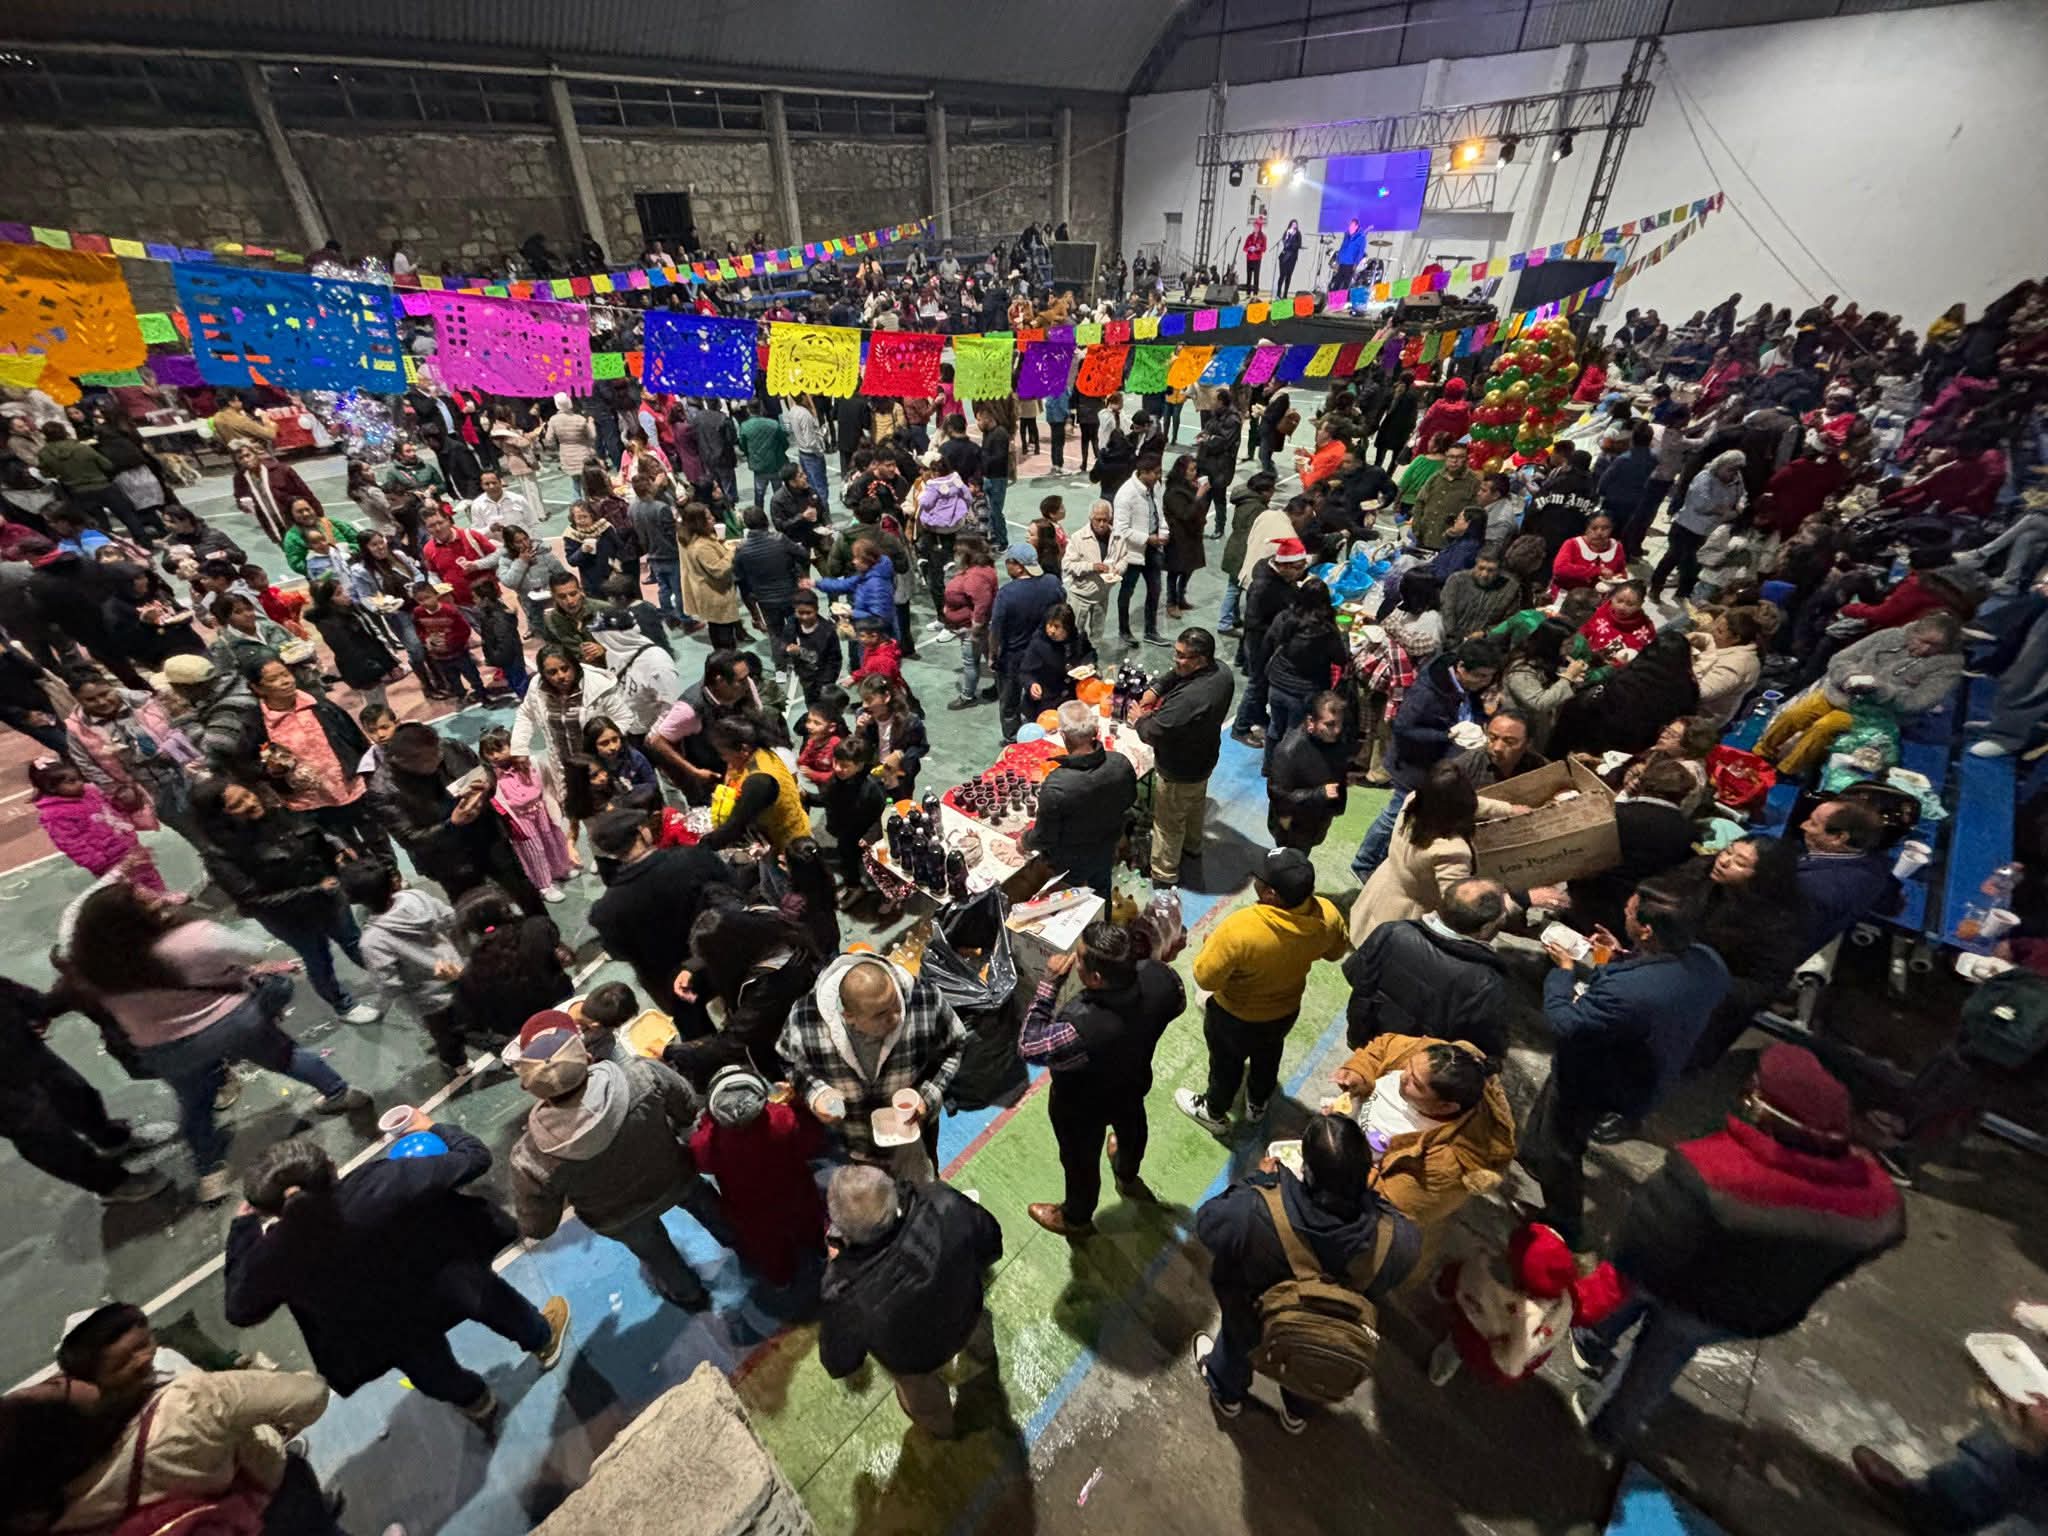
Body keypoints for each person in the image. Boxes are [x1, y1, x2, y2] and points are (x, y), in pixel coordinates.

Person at [1570, 1044, 1903, 1446]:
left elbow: (1640, 1243)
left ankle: (1599, 1394)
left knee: (1632, 1325)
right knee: (1661, 1363)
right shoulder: (1876, 1203)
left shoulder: (1713, 1171)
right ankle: (1612, 1420)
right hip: (1740, 1307)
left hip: (1674, 1281)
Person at [225, 1127, 571, 1428]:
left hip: (381, 1325)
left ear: (264, 1211)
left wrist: (242, 1231)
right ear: (330, 1168)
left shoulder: (274, 1257)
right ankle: (542, 1339)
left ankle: (476, 1401)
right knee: (497, 1305)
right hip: (447, 1277)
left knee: (426, 1366)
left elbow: (240, 1310)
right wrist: (432, 1127)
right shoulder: (380, 1182)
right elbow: (474, 1157)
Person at [63, 882, 367, 1205]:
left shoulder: (91, 969)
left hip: (168, 1047)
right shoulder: (193, 938)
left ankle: (210, 1172)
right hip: (232, 1022)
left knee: (195, 1105)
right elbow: (255, 951)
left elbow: (73, 918)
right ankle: (340, 1093)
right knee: (287, 1057)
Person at [1521, 877, 1731, 1246]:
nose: (1624, 911)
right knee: (1550, 1114)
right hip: (1646, 1067)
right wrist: (1616, 957)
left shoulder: (1631, 992)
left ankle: (1563, 1222)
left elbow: (1565, 1022)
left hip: (1599, 1078)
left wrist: (1564, 971)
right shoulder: (1709, 962)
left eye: (1631, 911)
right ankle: (1532, 1154)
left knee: (1563, 1144)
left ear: (1647, 930)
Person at [1193, 1114, 1420, 1430]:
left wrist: (1259, 1180)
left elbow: (1206, 1223)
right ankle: (1297, 1411)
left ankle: (1227, 1395)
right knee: (1313, 1359)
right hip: (1330, 1331)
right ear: (1368, 1171)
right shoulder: (1400, 1240)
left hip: (1253, 1317)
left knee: (1236, 1347)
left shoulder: (1252, 1211)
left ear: (1307, 1172)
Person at [508, 1014, 726, 1311]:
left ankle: (689, 1294)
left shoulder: (530, 1156)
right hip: (675, 1176)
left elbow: (539, 1226)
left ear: (528, 1087)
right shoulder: (643, 1075)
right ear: (587, 1056)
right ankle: (743, 1241)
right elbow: (688, 1108)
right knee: (713, 1209)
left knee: (656, 1254)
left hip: (618, 1218)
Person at [1021, 919, 1185, 1239]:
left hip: (1081, 1106)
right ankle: (1127, 1173)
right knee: (1132, 1129)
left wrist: (1049, 984)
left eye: (1079, 958)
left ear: (1095, 978)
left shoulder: (1080, 1027)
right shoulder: (1159, 976)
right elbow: (1176, 1004)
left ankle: (1076, 1218)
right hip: (1131, 1083)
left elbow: (1029, 1047)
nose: (1073, 960)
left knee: (1080, 1162)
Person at [817, 1164, 1004, 1438]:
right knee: (979, 1337)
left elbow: (840, 1361)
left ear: (841, 1230)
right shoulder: (942, 1200)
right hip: (967, 1312)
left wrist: (841, 1266)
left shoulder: (842, 1289)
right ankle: (984, 1359)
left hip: (915, 1360)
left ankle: (943, 1432)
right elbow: (991, 1243)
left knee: (925, 1403)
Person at [1176, 848, 1348, 1136]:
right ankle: (1257, 1102)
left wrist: (1211, 947)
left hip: (1234, 1017)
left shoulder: (1242, 928)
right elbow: (1335, 952)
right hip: (1284, 1011)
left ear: (1270, 895)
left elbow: (1205, 978)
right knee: (1268, 1055)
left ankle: (1214, 1111)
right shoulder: (1327, 915)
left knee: (1226, 1067)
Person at [191, 778, 384, 1026]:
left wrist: (334, 850)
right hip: (291, 917)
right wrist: (315, 890)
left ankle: (390, 976)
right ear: (219, 815)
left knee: (354, 941)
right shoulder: (219, 854)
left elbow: (310, 836)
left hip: (328, 897)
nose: (250, 802)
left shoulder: (277, 815)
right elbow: (252, 901)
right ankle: (343, 1005)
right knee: (318, 958)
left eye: (248, 795)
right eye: (237, 804)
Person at [777, 952, 965, 1179]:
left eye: (895, 1003)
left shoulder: (923, 999)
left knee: (926, 1187)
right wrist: (818, 1094)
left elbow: (955, 1046)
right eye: (881, 1015)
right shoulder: (805, 1021)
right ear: (849, 1017)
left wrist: (928, 1095)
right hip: (854, 1142)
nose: (896, 1017)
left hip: (916, 1135)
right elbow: (789, 1061)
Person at [0, 979, 170, 1205]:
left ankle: (113, 1139)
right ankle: (110, 1183)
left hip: (15, 1044)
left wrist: (41, 1004)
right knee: (39, 1129)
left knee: (72, 1089)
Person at [1326, 1033, 1515, 1229]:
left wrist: (1342, 1168)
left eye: (1415, 1084)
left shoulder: (1446, 1165)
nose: (1402, 1076)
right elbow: (1384, 1048)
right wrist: (1359, 1073)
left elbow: (1393, 1208)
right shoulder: (1430, 1061)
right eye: (1408, 1066)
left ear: (1445, 1107)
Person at [1351, 636, 1501, 883]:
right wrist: (1448, 735)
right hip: (1413, 765)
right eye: (1482, 676)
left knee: (1411, 816)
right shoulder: (1429, 692)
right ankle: (1363, 862)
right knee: (1394, 816)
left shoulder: (1463, 686)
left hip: (1438, 764)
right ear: (1462, 668)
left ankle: (1381, 858)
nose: (1486, 682)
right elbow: (1403, 727)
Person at [373, 721, 547, 914]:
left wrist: (486, 785)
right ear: (403, 761)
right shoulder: (382, 789)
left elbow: (487, 771)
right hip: (450, 862)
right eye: (430, 759)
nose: (439, 758)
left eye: (438, 752)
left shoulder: (449, 747)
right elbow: (410, 838)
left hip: (489, 837)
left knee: (525, 891)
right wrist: (452, 823)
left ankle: (547, 935)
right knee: (478, 911)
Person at [1760, 613, 1965, 774]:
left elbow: (1919, 702)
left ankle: (1787, 770)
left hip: (1877, 714)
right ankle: (1761, 753)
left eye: (1934, 646)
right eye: (1922, 641)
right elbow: (1841, 659)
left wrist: (1880, 690)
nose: (1924, 648)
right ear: (1914, 633)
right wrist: (1850, 676)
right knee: (1794, 714)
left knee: (1824, 727)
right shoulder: (1890, 635)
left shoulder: (1948, 666)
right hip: (1840, 692)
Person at [587, 807, 737, 1021]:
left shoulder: (606, 910)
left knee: (693, 1027)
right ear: (642, 832)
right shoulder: (695, 858)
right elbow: (732, 890)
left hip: (669, 980)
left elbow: (620, 952)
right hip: (720, 956)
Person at [1343, 876, 1512, 1058]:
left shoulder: (1393, 931)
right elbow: (1484, 1047)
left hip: (1365, 1041)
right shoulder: (1486, 982)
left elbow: (1355, 973)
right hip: (1414, 1068)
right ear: (1486, 928)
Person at [340, 857, 469, 1072]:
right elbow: (450, 918)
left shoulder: (372, 941)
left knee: (447, 1037)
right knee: (474, 1018)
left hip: (429, 1000)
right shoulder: (416, 896)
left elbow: (389, 984)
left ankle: (460, 1065)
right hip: (458, 972)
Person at [1133, 627, 1236, 888]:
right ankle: (1193, 846)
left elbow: (1154, 732)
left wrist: (1139, 720)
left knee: (1168, 823)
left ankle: (1164, 875)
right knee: (1194, 806)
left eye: (1182, 656)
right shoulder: (1221, 672)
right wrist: (1157, 688)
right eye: (1176, 653)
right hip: (1204, 758)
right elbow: (1176, 675)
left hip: (1178, 768)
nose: (1175, 660)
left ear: (1200, 659)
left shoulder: (1189, 700)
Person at [1350, 759, 1484, 947]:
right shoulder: (1452, 850)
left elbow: (1456, 798)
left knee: (1367, 952)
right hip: (1408, 917)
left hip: (1381, 892)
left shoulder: (1413, 802)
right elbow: (1457, 904)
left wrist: (1508, 809)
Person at [1022, 701, 1137, 897]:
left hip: (1069, 864)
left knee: (1070, 906)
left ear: (1064, 735)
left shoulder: (1057, 785)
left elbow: (1044, 837)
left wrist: (1024, 842)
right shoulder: (1120, 763)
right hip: (1106, 848)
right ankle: (1103, 924)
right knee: (1101, 895)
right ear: (1096, 732)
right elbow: (1129, 801)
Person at [30, 754, 167, 895]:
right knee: (132, 892)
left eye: (79, 778)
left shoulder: (90, 791)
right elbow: (70, 843)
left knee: (150, 875)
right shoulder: (54, 814)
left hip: (129, 846)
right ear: (52, 788)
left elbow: (112, 808)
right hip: (110, 862)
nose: (80, 783)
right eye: (72, 782)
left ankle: (164, 896)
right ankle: (154, 910)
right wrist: (99, 863)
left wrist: (122, 801)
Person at [1794, 798, 1897, 951]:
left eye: (1814, 824)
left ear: (1838, 838)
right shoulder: (1876, 862)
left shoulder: (1814, 887)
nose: (1804, 826)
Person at [987, 541, 1064, 740]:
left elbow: (996, 630)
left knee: (1009, 701)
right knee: (1040, 694)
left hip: (1013, 657)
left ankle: (1014, 738)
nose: (1006, 567)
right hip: (1043, 652)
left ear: (1018, 565)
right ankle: (1044, 731)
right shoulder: (1052, 583)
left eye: (1008, 563)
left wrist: (992, 654)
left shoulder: (1006, 594)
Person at [1651, 448, 1746, 604]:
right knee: (1673, 557)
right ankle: (1656, 588)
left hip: (1709, 531)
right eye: (1730, 470)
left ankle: (1683, 593)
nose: (1733, 474)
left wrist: (1740, 504)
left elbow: (1742, 494)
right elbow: (1701, 503)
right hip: (1687, 527)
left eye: (1736, 471)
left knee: (1695, 564)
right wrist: (1726, 511)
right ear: (1720, 465)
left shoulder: (1736, 479)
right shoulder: (1704, 478)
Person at [1111, 453, 1167, 644]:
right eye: (1155, 473)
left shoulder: (1155, 487)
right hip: (1132, 552)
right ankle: (1124, 630)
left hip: (1153, 549)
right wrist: (1146, 538)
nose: (1158, 477)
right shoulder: (1126, 495)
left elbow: (1159, 511)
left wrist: (1163, 532)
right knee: (1127, 591)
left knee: (1155, 590)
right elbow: (1121, 530)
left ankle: (1151, 631)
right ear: (1143, 472)